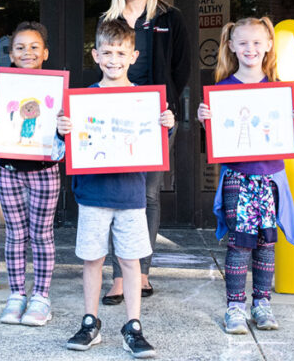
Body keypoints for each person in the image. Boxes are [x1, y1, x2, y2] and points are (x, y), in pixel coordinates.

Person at [58, 20, 174, 359]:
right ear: (95, 55)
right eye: (106, 52)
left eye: (121, 52)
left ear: (134, 55)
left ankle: (133, 326)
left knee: (131, 262)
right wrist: (63, 129)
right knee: (92, 260)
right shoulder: (83, 100)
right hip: (93, 195)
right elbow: (67, 147)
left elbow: (155, 145)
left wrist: (165, 126)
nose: (113, 59)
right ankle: (90, 322)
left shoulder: (144, 101)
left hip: (131, 196)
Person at [196, 17, 294, 334]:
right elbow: (217, 141)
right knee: (239, 244)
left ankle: (262, 304)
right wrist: (207, 121)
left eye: (257, 42)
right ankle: (234, 308)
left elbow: (284, 135)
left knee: (266, 244)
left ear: (269, 45)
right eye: (243, 43)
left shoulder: (278, 90)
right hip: (238, 180)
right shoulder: (222, 90)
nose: (250, 49)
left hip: (270, 178)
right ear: (231, 45)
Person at [100, 0, 189, 304]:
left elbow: (181, 67)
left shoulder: (170, 17)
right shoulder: (109, 18)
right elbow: (103, 61)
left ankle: (143, 272)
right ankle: (119, 277)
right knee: (117, 196)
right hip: (115, 117)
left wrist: (165, 103)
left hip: (156, 117)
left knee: (148, 195)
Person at [0, 22, 63, 326]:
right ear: (11, 55)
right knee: (15, 235)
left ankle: (41, 296)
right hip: (9, 169)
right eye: (20, 48)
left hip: (45, 170)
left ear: (45, 53)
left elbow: (65, 134)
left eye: (33, 47)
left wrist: (65, 130)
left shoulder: (56, 88)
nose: (27, 52)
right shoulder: (3, 89)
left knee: (41, 235)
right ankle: (16, 295)